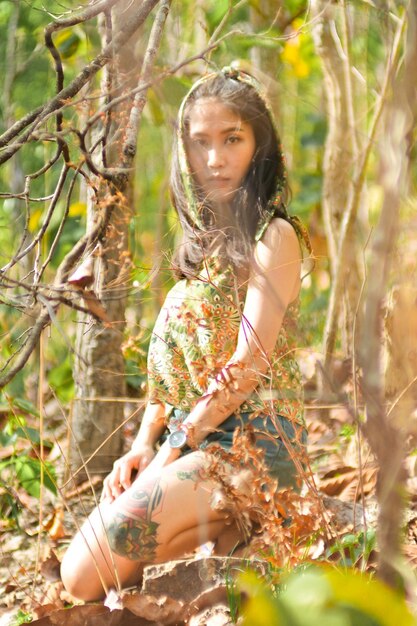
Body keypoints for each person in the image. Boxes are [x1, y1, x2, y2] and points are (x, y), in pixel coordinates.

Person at [61, 67, 312, 601]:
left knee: (86, 577)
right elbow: (174, 375)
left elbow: (246, 367)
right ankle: (238, 543)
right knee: (79, 573)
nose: (215, 159)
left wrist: (169, 451)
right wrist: (142, 445)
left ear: (259, 145)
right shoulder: (197, 252)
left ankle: (257, 531)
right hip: (191, 442)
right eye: (201, 143)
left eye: (232, 139)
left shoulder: (275, 237)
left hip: (256, 446)